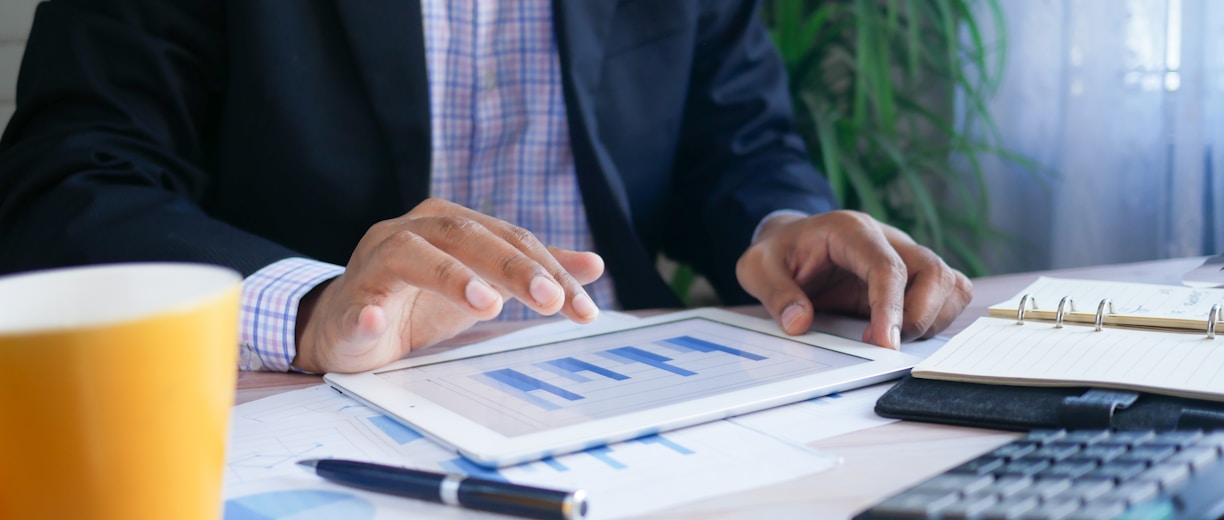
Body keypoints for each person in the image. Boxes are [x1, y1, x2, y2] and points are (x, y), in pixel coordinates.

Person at [0, 0, 971, 374]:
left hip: (629, 402)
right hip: (305, 410)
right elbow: (66, 188)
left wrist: (788, 225)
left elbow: (735, 137)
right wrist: (310, 306)